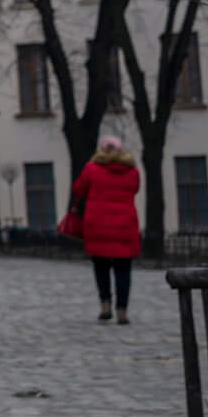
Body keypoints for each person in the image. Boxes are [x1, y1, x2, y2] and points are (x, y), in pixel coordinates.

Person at [72, 137, 143, 325]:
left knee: (101, 267)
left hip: (97, 225)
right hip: (125, 225)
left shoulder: (92, 169)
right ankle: (122, 310)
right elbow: (135, 190)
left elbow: (78, 189)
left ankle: (105, 303)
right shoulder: (132, 172)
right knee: (123, 271)